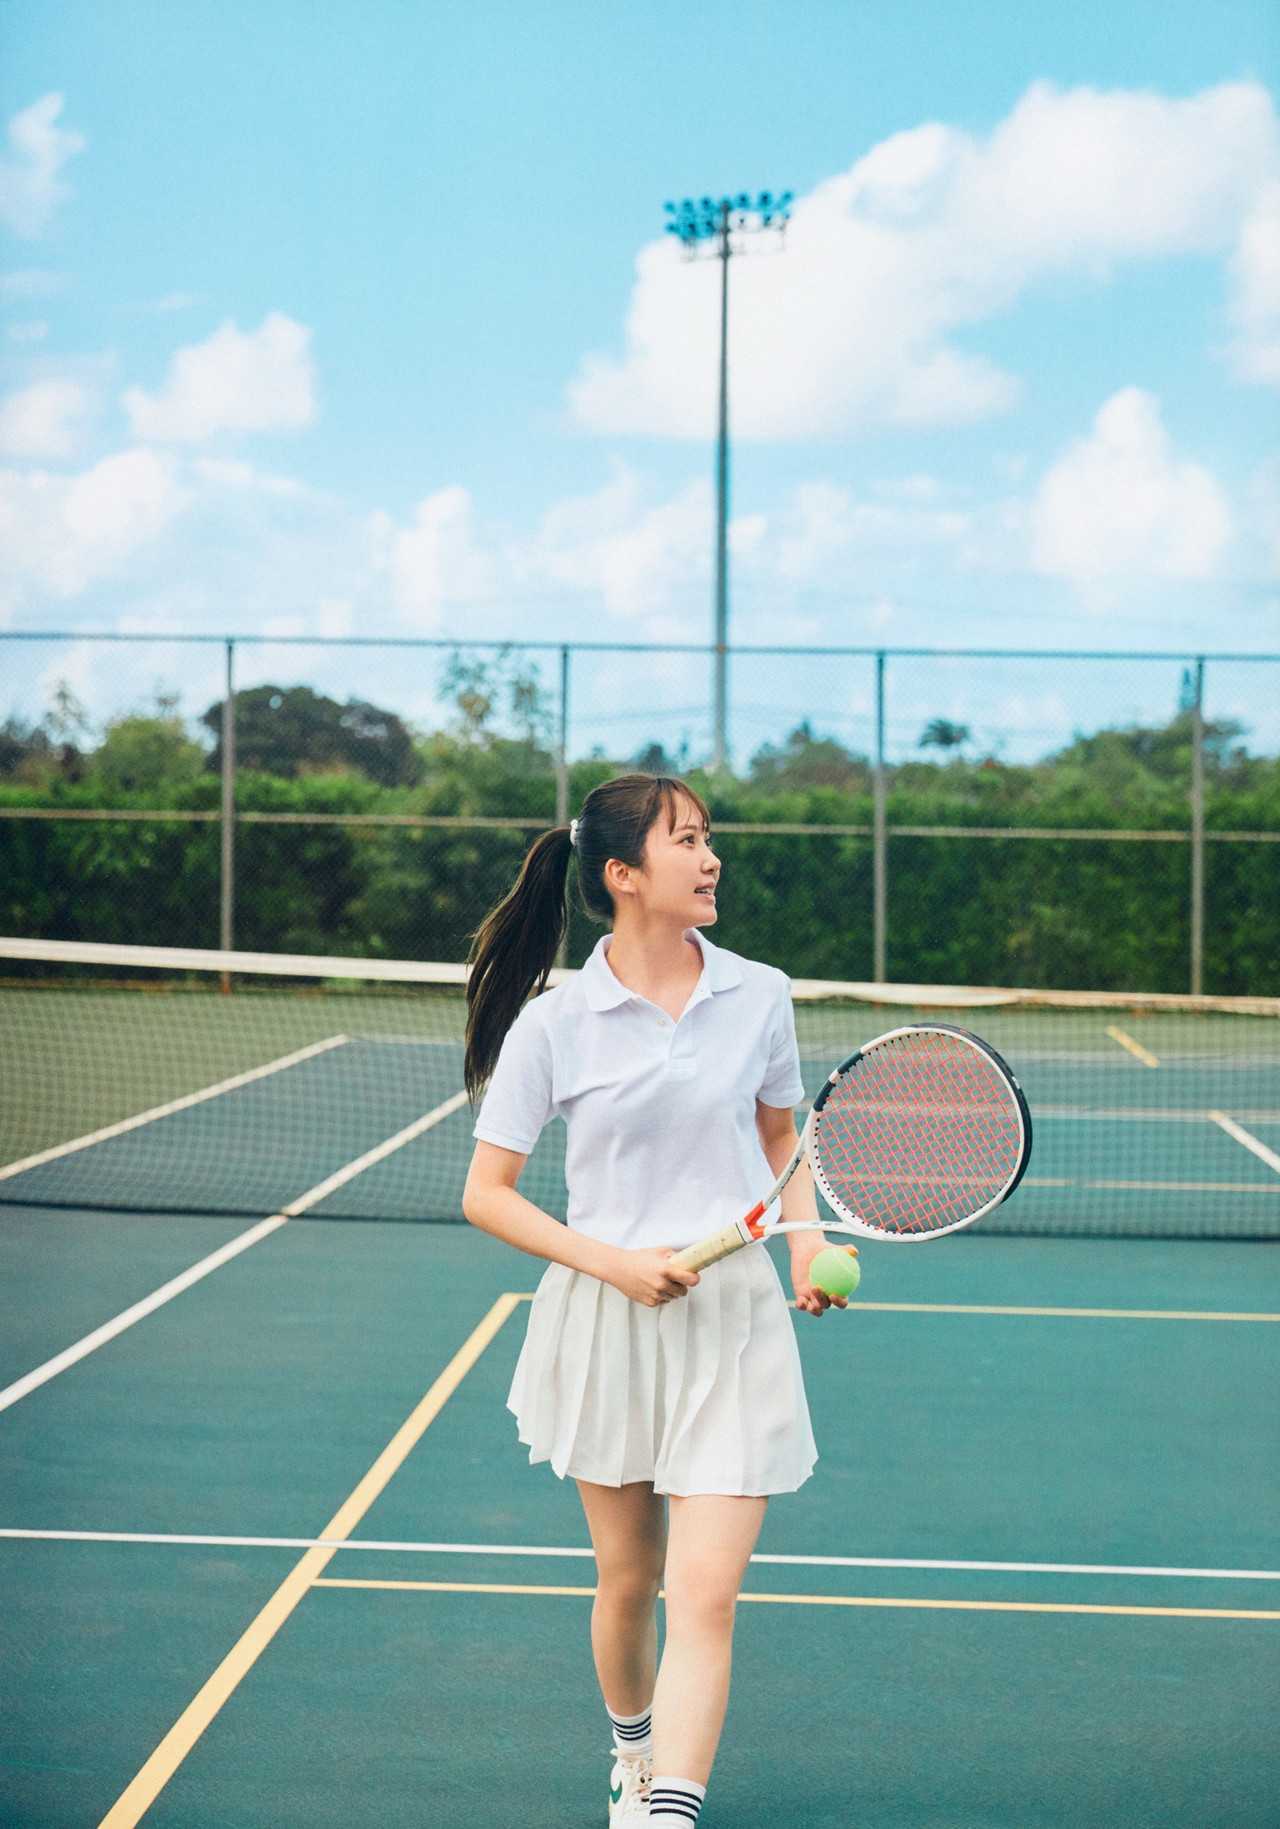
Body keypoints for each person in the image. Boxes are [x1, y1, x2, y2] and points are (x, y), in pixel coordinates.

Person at [461, 773, 846, 1826]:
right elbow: (486, 1194)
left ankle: (668, 1809)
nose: (711, 857)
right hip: (608, 1317)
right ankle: (631, 1752)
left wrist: (806, 1238)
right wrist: (614, 1263)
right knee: (629, 1578)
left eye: (709, 836)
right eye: (687, 840)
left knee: (705, 1595)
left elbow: (781, 1131)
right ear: (623, 874)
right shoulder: (555, 1024)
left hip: (734, 1320)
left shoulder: (759, 992)